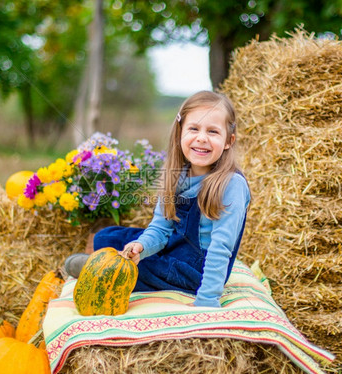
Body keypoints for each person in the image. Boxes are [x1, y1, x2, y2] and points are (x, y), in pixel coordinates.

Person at [65, 90, 251, 307]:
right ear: (180, 132)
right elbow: (160, 230)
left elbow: (222, 247)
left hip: (196, 270)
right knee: (106, 237)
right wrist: (140, 247)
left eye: (212, 131)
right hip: (173, 247)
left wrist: (207, 299)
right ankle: (114, 260)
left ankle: (103, 269)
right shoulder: (177, 175)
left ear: (228, 141)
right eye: (194, 128)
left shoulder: (231, 184)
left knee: (141, 269)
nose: (202, 137)